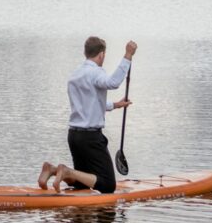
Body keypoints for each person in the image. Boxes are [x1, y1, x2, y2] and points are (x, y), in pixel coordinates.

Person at [38, 36, 138, 194]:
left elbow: (88, 105)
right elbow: (113, 83)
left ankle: (52, 169)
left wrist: (115, 105)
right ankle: (66, 171)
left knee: (82, 184)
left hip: (74, 135)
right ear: (101, 55)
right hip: (91, 138)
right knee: (107, 184)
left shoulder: (75, 74)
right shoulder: (96, 73)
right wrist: (128, 56)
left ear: (86, 53)